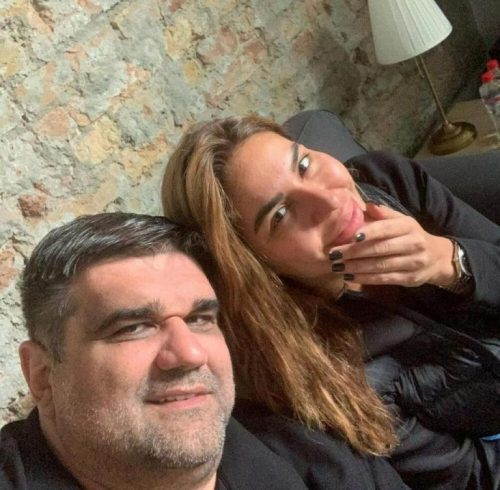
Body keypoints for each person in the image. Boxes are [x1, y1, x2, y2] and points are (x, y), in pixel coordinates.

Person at [161, 115, 500, 489]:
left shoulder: (388, 182)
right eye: (280, 214)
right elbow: (474, 475)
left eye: (304, 164)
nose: (330, 202)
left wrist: (450, 262)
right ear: (255, 265)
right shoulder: (329, 375)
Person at [0, 212, 409, 490]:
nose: (190, 353)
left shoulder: (312, 453)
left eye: (199, 319)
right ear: (42, 374)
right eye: (133, 328)